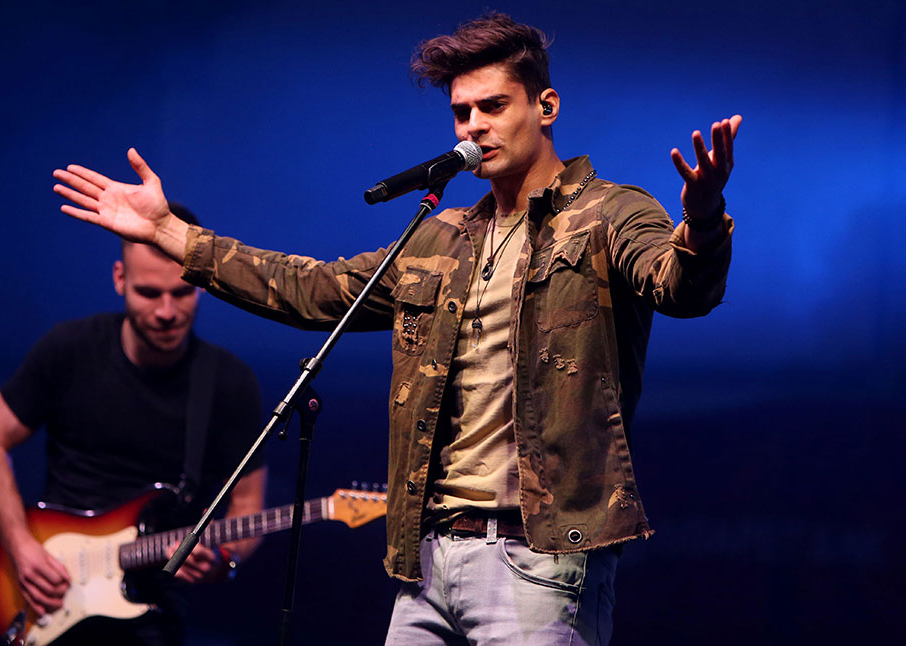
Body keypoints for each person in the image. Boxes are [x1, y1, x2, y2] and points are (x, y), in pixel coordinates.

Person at [51, 12, 738, 645]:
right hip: (427, 563)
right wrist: (171, 235)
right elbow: (316, 289)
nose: (474, 127)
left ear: (546, 107)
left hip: (539, 558)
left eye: (493, 106)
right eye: (462, 113)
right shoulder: (441, 237)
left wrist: (703, 220)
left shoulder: (609, 213)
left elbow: (680, 286)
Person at [0, 203, 267, 645]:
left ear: (202, 283)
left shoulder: (229, 382)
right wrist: (20, 545)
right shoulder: (69, 349)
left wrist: (225, 558)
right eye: (149, 293)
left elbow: (248, 502)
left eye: (182, 292)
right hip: (48, 590)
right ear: (119, 279)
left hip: (152, 606)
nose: (167, 311)